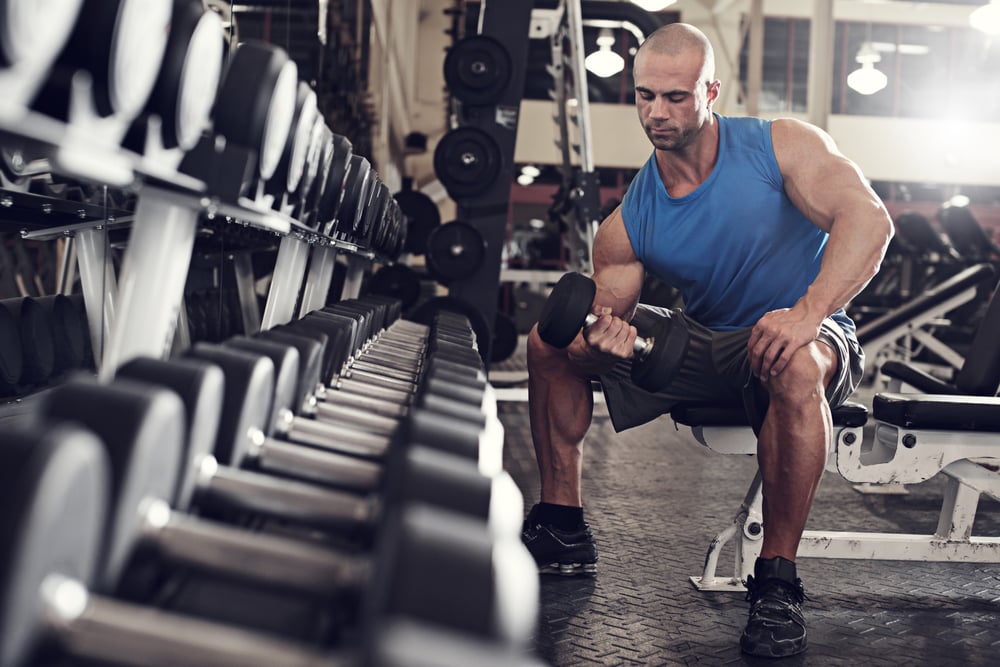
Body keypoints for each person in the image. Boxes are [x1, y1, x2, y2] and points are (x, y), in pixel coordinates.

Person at [521, 22, 894, 658]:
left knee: (797, 366)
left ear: (710, 90)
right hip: (711, 342)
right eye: (644, 96)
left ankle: (776, 582)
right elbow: (605, 314)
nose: (656, 112)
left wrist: (806, 313)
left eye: (675, 96)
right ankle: (561, 523)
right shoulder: (634, 216)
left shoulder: (778, 147)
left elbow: (870, 221)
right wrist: (603, 337)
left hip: (810, 330)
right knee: (548, 346)